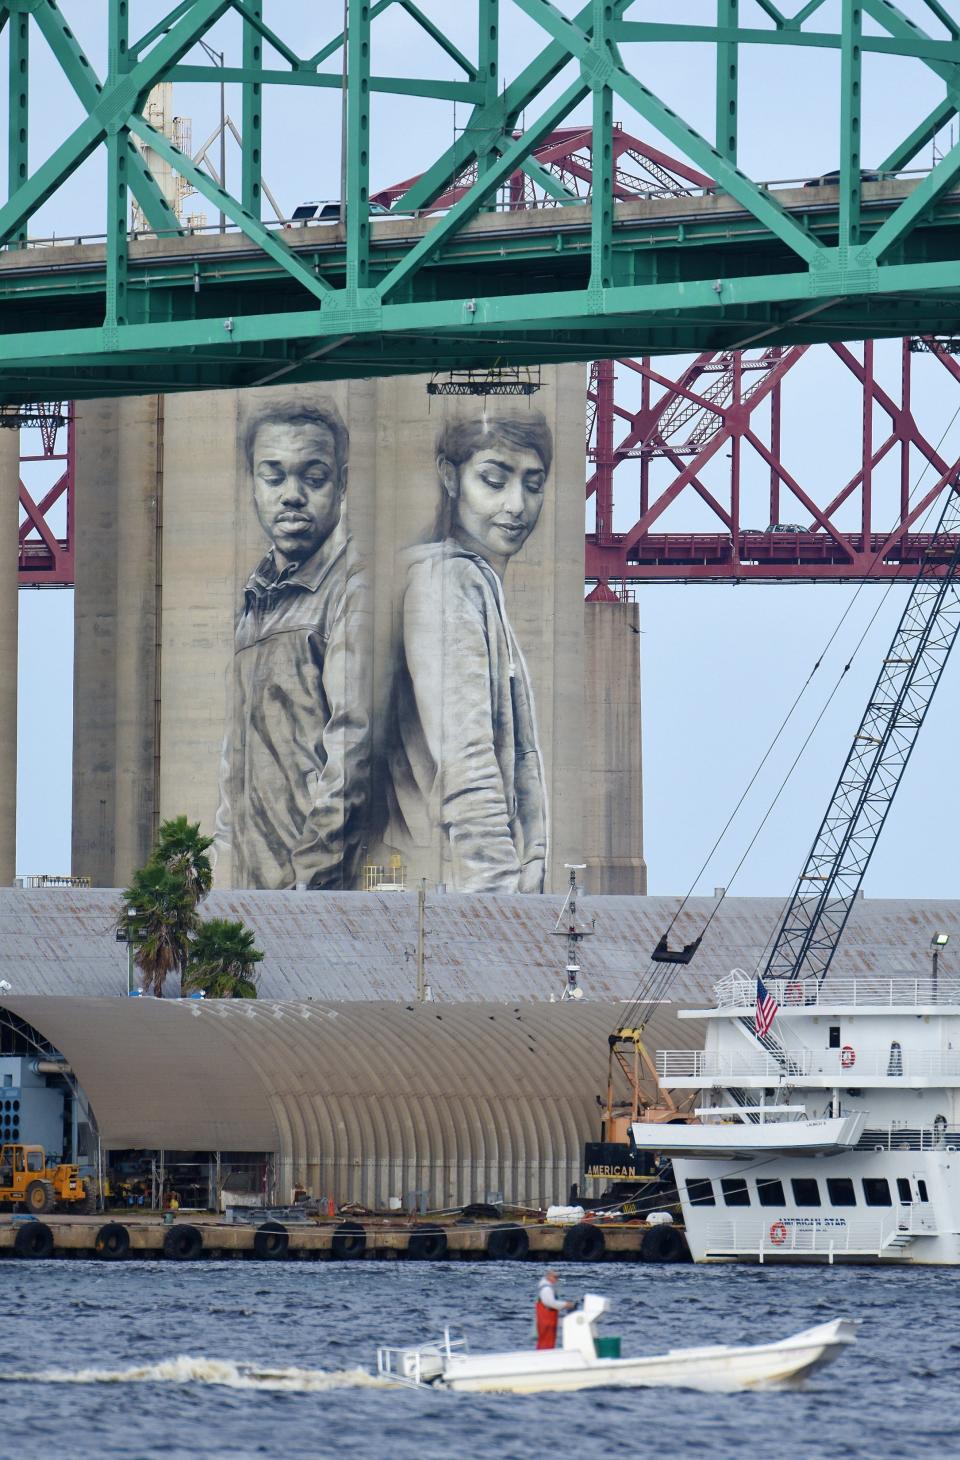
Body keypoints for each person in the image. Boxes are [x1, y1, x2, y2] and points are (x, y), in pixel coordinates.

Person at [380, 413, 551, 893]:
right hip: (452, 886)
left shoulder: (474, 581)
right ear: (450, 476)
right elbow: (466, 758)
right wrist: (499, 897)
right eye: (493, 481)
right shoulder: (448, 582)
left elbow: (518, 753)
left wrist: (535, 853)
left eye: (533, 485)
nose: (515, 505)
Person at [214, 397, 371, 890]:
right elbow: (234, 764)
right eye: (273, 476)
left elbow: (355, 749)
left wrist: (309, 884)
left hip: (310, 897)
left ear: (342, 483)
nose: (292, 495)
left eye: (314, 477)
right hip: (249, 893)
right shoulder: (255, 600)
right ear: (252, 483)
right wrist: (219, 875)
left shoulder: (355, 589)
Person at [535, 1268, 573, 1350]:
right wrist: (566, 1304)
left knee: (546, 1340)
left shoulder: (546, 1287)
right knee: (546, 1341)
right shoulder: (546, 1289)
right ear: (549, 1277)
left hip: (547, 1319)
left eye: (557, 1277)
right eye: (555, 1277)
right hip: (546, 1319)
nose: (557, 1279)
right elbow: (550, 1303)